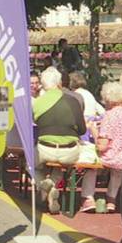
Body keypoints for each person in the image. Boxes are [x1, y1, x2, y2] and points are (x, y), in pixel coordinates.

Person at [79, 82, 122, 213]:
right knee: (118, 171)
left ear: (109, 99)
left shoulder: (111, 115)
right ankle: (111, 200)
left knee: (91, 164)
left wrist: (93, 129)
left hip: (115, 158)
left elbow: (102, 146)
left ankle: (88, 198)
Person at [33, 67, 86, 214]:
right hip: (69, 151)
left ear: (42, 85)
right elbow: (82, 129)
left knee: (30, 164)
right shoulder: (73, 101)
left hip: (44, 148)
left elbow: (35, 123)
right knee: (61, 166)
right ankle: (54, 187)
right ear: (60, 83)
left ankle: (43, 184)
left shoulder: (37, 103)